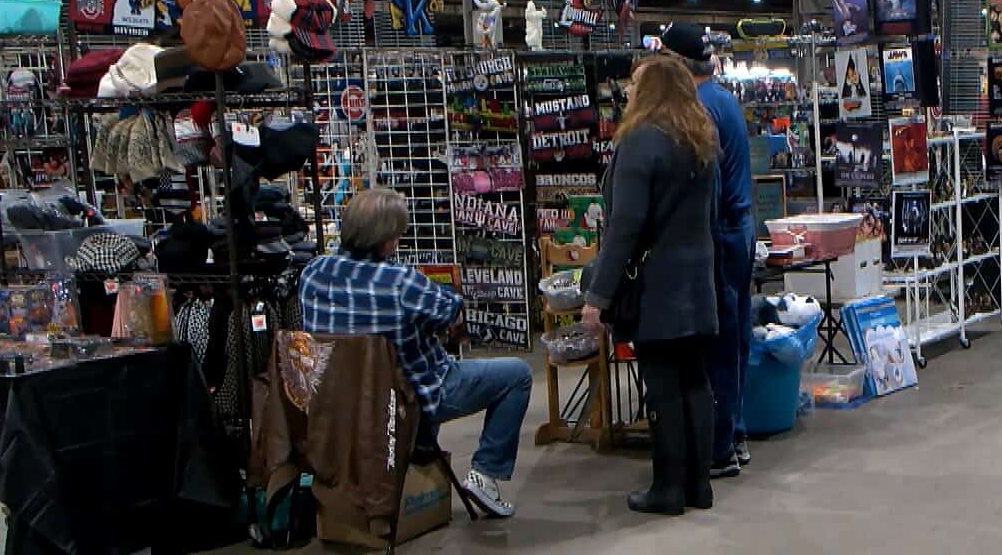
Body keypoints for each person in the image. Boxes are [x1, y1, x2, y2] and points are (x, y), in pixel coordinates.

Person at [299, 188, 533, 518]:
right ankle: (485, 474)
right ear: (385, 238)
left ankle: (414, 455)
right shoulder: (400, 281)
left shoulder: (313, 273)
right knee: (517, 375)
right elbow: (451, 311)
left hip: (341, 403)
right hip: (410, 399)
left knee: (410, 357)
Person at [581, 55, 721, 516]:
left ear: (652, 89)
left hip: (658, 285)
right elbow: (712, 213)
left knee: (662, 385)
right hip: (698, 278)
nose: (627, 90)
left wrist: (597, 297)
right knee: (695, 381)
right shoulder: (699, 138)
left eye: (635, 82)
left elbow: (625, 227)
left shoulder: (641, 141)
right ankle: (699, 486)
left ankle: (667, 489)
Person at [659, 23, 755, 478]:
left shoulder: (698, 110)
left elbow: (705, 184)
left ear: (678, 63)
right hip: (740, 227)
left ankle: (718, 445)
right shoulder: (725, 100)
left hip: (719, 231)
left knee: (715, 340)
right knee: (735, 336)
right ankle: (733, 433)